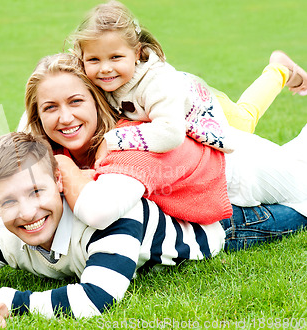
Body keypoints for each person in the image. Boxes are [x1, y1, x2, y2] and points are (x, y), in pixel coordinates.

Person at [0, 132, 307, 327]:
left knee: (301, 206)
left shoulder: (106, 220)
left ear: (59, 184)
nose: (26, 212)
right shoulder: (1, 231)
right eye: (8, 201)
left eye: (36, 192)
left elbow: (94, 299)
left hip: (219, 228)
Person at [22, 52, 307, 229]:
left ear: (97, 102)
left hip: (237, 171)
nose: (65, 118)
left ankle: (280, 69)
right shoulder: (58, 140)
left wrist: (62, 166)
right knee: (295, 156)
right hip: (207, 191)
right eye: (49, 107)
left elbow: (98, 214)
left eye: (75, 101)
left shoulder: (127, 140)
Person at [71, 1, 307, 155]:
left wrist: (113, 139)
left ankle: (279, 70)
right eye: (94, 60)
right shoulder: (89, 76)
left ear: (136, 53)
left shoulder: (156, 83)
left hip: (206, 106)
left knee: (245, 120)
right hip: (183, 92)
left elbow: (170, 133)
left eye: (115, 57)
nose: (104, 69)